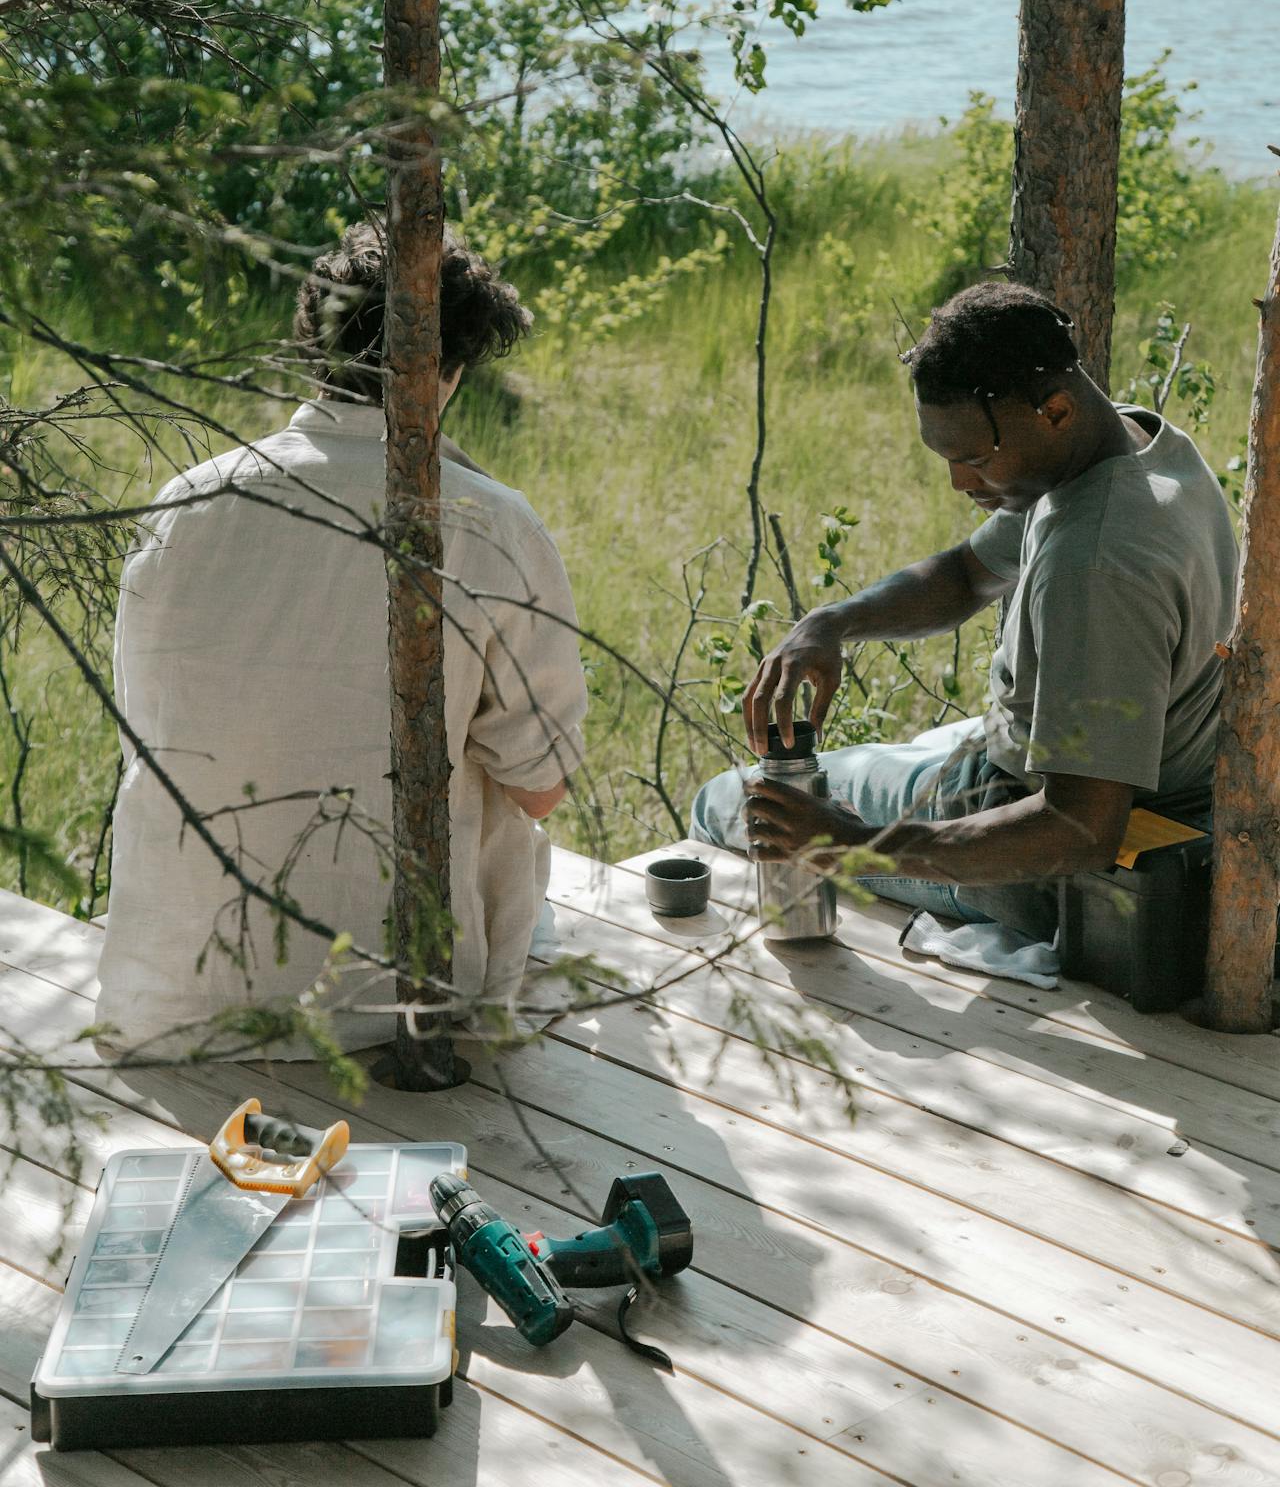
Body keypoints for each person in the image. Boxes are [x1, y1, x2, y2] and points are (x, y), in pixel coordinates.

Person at [96, 223, 587, 1054]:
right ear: (451, 371)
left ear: (311, 344)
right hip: (392, 1009)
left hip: (176, 997)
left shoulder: (182, 504)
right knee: (513, 807)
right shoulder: (489, 524)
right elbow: (543, 786)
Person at [690, 281, 1239, 939]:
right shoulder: (1129, 445)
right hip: (1116, 775)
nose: (959, 482)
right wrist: (831, 622)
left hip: (1039, 859)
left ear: (1055, 411)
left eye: (974, 458)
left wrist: (854, 843)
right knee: (885, 761)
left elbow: (1080, 830)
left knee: (730, 800)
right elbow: (963, 576)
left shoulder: (1096, 563)